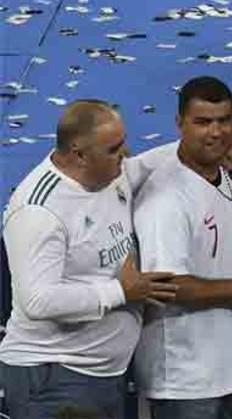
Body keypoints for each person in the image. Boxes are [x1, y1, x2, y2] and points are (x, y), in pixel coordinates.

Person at [0, 101, 179, 419]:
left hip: (103, 374)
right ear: (79, 155)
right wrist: (120, 292)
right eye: (114, 149)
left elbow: (143, 166)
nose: (125, 155)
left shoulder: (109, 173)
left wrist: (201, 148)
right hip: (54, 378)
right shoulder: (40, 211)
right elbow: (37, 301)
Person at [133, 77, 232, 419]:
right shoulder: (166, 200)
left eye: (224, 121)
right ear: (179, 124)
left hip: (227, 373)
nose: (216, 133)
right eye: (203, 122)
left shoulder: (225, 177)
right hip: (184, 383)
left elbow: (215, 247)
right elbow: (164, 284)